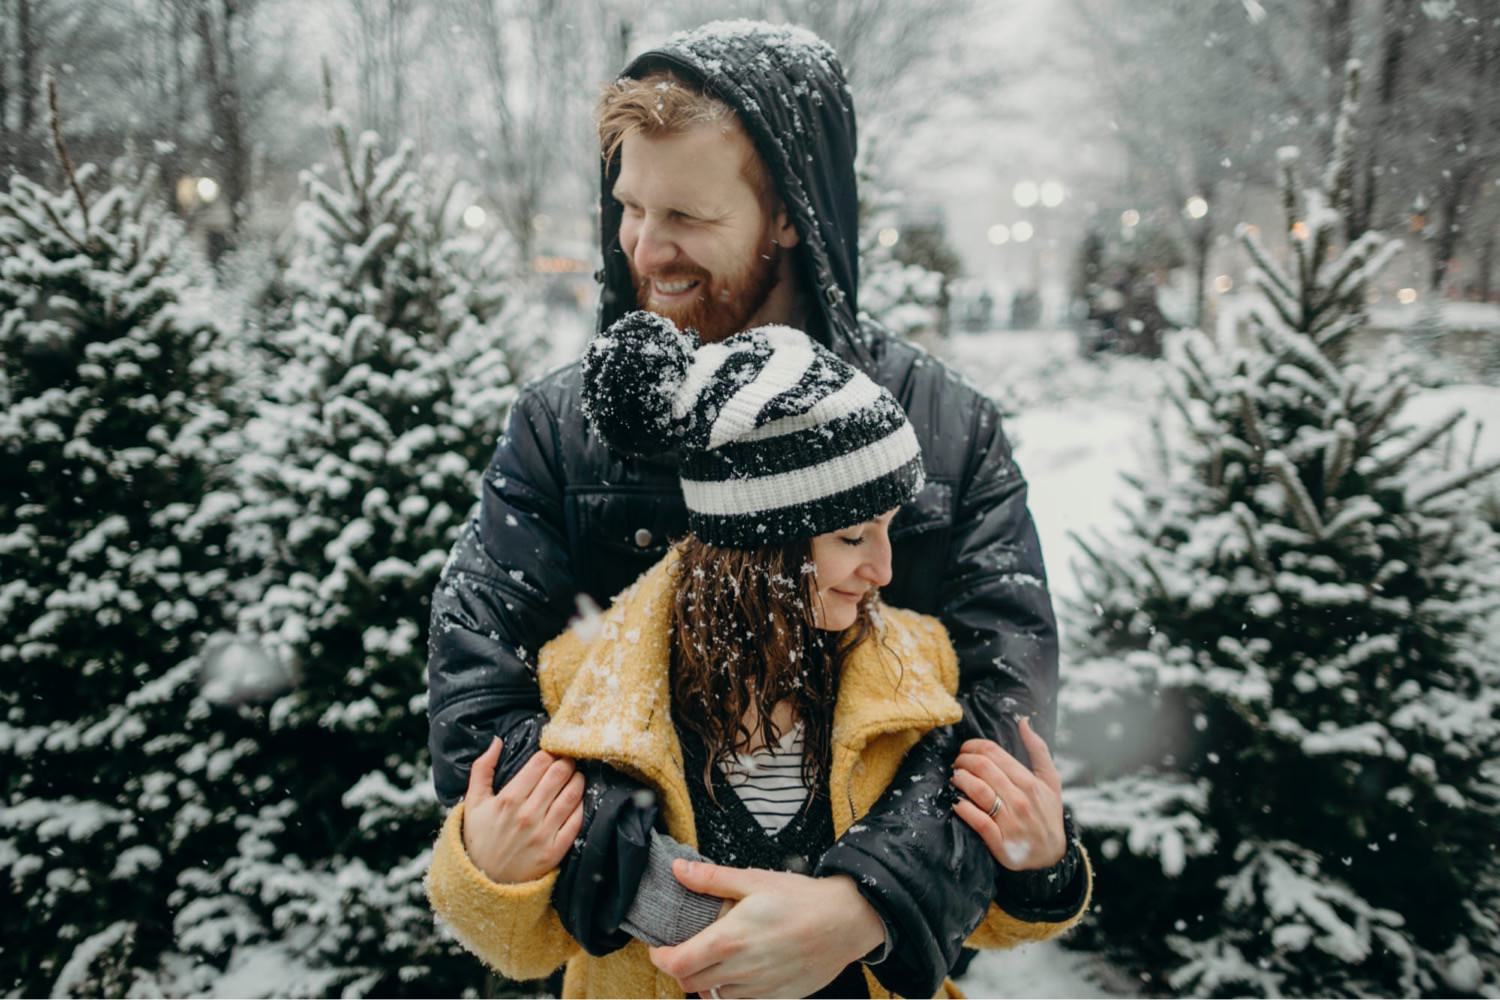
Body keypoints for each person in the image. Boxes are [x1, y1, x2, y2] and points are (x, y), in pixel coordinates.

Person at [427, 19, 1061, 997]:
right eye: (630, 208)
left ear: (791, 216)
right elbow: (480, 696)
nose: (645, 247)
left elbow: (1004, 720)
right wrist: (675, 900)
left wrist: (858, 906)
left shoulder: (942, 429)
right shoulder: (562, 428)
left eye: (687, 216)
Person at [428, 315, 1090, 999]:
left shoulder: (920, 669)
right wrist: (495, 870)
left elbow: (978, 915)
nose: (885, 570)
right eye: (854, 537)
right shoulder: (586, 684)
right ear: (761, 542)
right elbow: (521, 944)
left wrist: (1040, 864)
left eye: (889, 532)